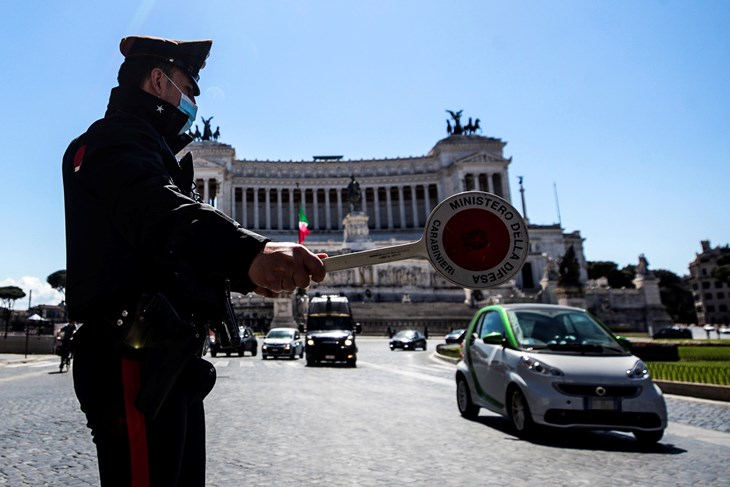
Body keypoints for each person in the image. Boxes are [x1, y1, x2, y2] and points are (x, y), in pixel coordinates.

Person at [62, 36, 326, 486]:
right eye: (188, 86)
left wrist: (241, 273)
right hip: (132, 354)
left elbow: (165, 252)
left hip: (164, 357)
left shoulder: (149, 149)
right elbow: (157, 214)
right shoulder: (113, 140)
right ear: (159, 80)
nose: (191, 101)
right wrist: (248, 252)